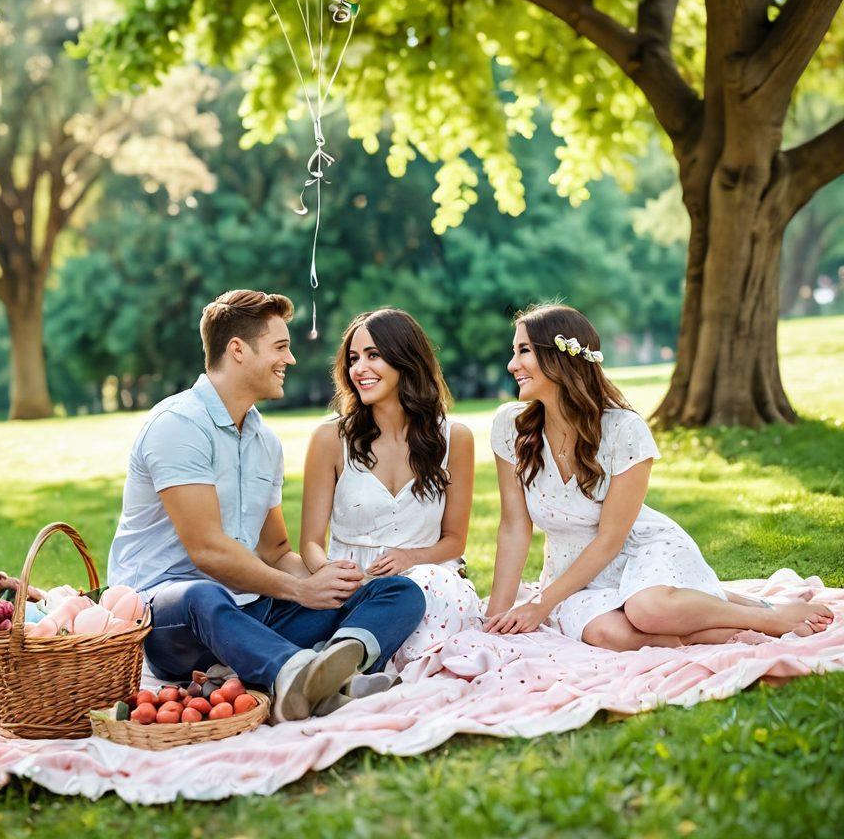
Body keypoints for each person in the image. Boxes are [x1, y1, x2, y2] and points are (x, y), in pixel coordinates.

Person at [107, 289, 426, 721]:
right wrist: (298, 589)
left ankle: (327, 673)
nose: (290, 360)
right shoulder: (178, 426)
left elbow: (275, 552)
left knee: (398, 591)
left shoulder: (265, 442)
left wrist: (322, 579)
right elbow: (208, 550)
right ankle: (296, 674)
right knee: (204, 595)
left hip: (253, 612)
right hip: (170, 622)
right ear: (238, 350)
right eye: (280, 347)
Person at [484, 303, 834, 649]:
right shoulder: (510, 427)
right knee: (610, 635)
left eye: (524, 351)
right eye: (514, 351)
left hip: (640, 550)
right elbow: (514, 527)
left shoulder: (624, 430)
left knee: (647, 610)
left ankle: (767, 618)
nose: (512, 364)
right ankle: (714, 618)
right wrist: (495, 620)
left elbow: (610, 540)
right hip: (571, 575)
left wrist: (540, 605)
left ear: (560, 359)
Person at [301, 308, 480, 669]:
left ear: (405, 359)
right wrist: (329, 573)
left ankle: (350, 663)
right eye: (353, 359)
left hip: (431, 582)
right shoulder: (330, 439)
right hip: (353, 589)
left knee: (419, 586)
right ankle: (353, 660)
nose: (359, 369)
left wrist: (410, 558)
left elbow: (454, 541)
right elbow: (309, 543)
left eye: (373, 355)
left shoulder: (454, 438)